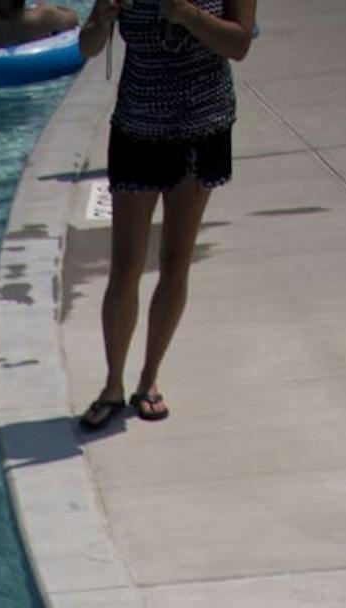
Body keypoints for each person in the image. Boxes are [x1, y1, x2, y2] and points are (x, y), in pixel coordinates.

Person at [73, 0, 257, 430]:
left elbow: (240, 43)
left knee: (175, 262)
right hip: (138, 128)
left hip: (202, 126)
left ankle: (149, 380)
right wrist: (101, 18)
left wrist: (187, 14)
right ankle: (112, 385)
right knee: (125, 267)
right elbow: (88, 47)